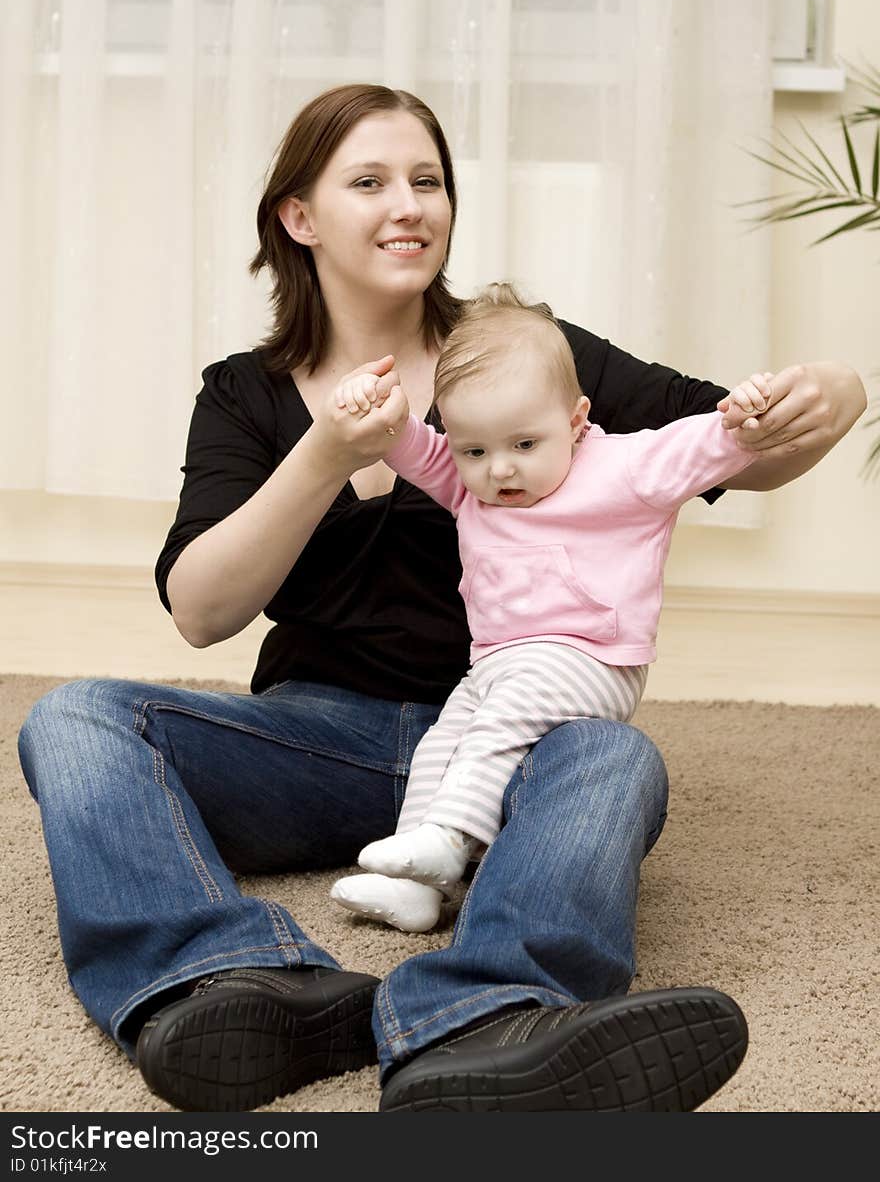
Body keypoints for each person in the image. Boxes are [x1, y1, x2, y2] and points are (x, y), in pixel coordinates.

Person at [17, 84, 866, 1115]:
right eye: (368, 181)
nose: (408, 204)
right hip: (315, 740)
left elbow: (733, 442)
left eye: (428, 180)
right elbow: (201, 609)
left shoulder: (523, 354)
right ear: (300, 216)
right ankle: (226, 980)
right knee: (77, 716)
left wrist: (832, 392)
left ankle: (480, 1014)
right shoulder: (245, 392)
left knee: (615, 757)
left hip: (520, 736)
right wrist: (329, 450)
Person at [329, 283, 769, 933]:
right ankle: (414, 891)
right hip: (498, 664)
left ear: (573, 419)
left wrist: (746, 416)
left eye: (523, 446)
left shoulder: (623, 467)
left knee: (499, 722)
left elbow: (703, 445)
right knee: (439, 746)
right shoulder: (472, 485)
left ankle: (451, 842)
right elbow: (417, 451)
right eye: (474, 450)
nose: (498, 470)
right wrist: (384, 418)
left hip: (592, 657)